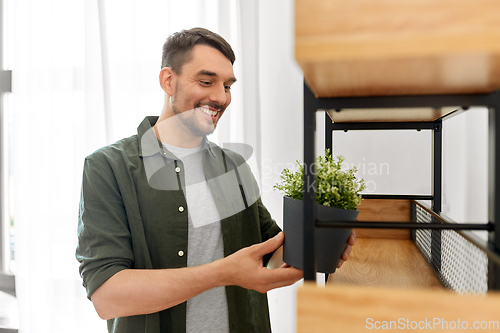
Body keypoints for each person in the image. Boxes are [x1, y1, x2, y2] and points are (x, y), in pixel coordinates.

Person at [76, 27, 355, 333]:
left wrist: (313, 245)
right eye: (206, 82)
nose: (221, 97)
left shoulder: (232, 166)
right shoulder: (108, 167)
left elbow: (268, 253)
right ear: (168, 81)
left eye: (227, 86)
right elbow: (107, 296)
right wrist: (223, 273)